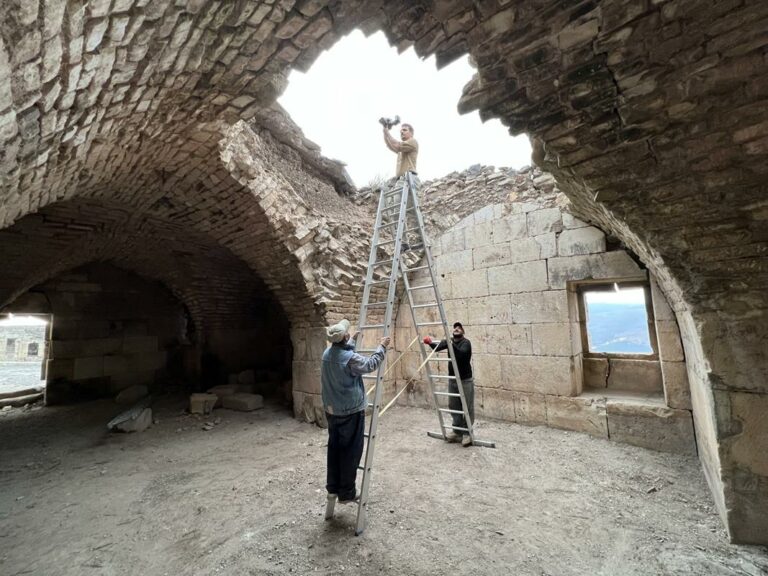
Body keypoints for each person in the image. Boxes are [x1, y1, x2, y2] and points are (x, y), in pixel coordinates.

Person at [321, 318, 390, 504]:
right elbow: (369, 365)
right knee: (351, 451)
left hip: (332, 410)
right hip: (350, 411)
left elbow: (340, 354)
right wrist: (382, 347)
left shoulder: (327, 353)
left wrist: (351, 343)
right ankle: (347, 493)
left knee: (334, 450)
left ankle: (333, 489)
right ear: (345, 336)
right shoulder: (349, 358)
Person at [424, 322, 474, 447]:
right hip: (453, 380)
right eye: (455, 327)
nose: (456, 329)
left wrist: (451, 344)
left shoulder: (466, 343)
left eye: (459, 327)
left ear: (463, 331)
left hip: (465, 380)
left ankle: (467, 433)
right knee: (454, 405)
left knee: (467, 406)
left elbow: (462, 355)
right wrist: (430, 342)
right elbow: (437, 347)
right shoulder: (450, 341)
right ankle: (457, 431)